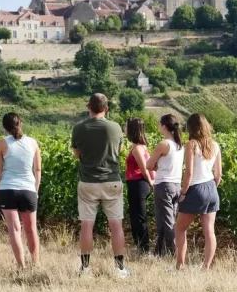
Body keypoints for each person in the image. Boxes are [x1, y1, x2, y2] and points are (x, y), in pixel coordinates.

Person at [70, 93, 129, 277]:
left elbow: (76, 154)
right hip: (112, 180)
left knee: (87, 225)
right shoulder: (115, 127)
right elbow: (119, 150)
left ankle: (85, 268)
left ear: (88, 107)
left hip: (88, 181)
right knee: (116, 225)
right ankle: (119, 269)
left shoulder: (78, 129)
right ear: (106, 108)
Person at [0, 112, 41, 269]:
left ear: (4, 127)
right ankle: (36, 263)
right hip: (28, 190)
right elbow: (38, 170)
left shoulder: (1, 144)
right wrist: (35, 190)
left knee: (14, 229)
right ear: (21, 123)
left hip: (7, 190)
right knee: (31, 229)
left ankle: (21, 266)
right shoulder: (33, 143)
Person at [174, 113, 222, 270]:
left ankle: (180, 265)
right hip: (211, 188)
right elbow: (218, 174)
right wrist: (211, 187)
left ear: (191, 127)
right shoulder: (215, 145)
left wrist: (183, 193)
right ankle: (206, 267)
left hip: (195, 189)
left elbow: (189, 173)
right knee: (209, 232)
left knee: (180, 228)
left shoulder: (191, 145)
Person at [146, 113, 184, 258]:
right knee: (169, 218)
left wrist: (157, 167)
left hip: (164, 184)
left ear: (163, 126)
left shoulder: (163, 144)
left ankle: (173, 253)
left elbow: (149, 165)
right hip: (176, 185)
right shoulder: (180, 145)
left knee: (166, 221)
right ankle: (161, 252)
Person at [125, 117, 155, 254]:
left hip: (138, 185)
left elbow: (144, 170)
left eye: (126, 126)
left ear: (132, 129)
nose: (124, 129)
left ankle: (143, 248)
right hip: (138, 185)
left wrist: (151, 183)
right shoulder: (141, 146)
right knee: (136, 216)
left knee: (138, 217)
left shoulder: (137, 148)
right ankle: (141, 246)